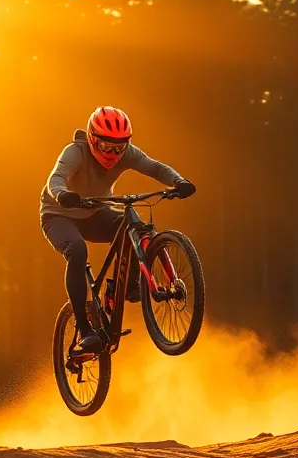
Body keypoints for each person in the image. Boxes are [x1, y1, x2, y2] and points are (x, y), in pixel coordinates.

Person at [40, 106, 195, 353]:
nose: (113, 153)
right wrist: (62, 194)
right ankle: (84, 328)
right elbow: (56, 178)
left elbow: (154, 167)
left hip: (94, 211)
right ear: (92, 139)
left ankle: (127, 285)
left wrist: (179, 181)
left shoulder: (126, 154)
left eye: (120, 147)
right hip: (59, 215)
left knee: (135, 228)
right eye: (105, 146)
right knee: (78, 251)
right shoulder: (75, 152)